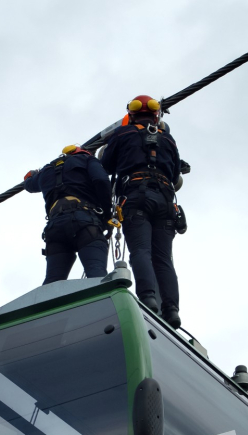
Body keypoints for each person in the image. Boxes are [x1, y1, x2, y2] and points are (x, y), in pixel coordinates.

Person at [100, 95, 183, 329]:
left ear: (131, 115)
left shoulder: (122, 134)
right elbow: (175, 173)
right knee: (163, 259)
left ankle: (148, 298)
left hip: (136, 196)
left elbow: (106, 165)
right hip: (165, 200)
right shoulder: (168, 139)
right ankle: (172, 309)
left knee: (141, 250)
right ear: (156, 116)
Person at [24, 145, 113, 284]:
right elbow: (101, 180)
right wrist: (107, 215)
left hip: (55, 228)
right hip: (85, 222)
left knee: (52, 282)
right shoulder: (88, 160)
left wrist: (31, 175)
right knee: (96, 274)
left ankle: (48, 299)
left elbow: (29, 185)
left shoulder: (47, 171)